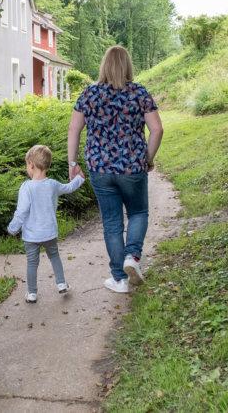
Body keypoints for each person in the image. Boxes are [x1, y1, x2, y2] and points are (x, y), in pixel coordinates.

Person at [68, 45, 163, 294]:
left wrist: (72, 163)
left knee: (111, 223)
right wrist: (147, 158)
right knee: (138, 213)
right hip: (133, 167)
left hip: (100, 168)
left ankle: (119, 279)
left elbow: (74, 130)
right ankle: (132, 256)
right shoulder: (139, 93)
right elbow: (157, 130)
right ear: (128, 65)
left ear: (104, 65)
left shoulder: (89, 94)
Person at [7, 144, 85, 303]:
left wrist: (12, 228)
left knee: (32, 263)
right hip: (49, 232)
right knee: (54, 257)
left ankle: (32, 293)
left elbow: (22, 211)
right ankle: (62, 284)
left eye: (26, 165)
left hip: (31, 235)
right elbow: (69, 187)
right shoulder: (53, 185)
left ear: (31, 165)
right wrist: (80, 178)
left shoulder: (26, 187)